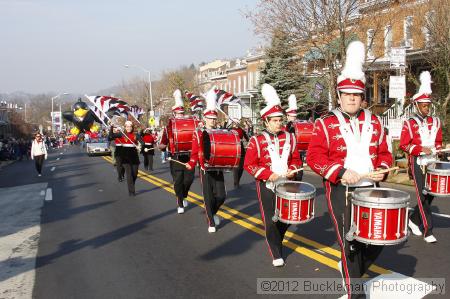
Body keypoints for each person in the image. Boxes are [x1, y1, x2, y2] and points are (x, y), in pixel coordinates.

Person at [306, 41, 393, 299]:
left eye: (356, 95)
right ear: (340, 96)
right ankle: (354, 292)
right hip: (340, 191)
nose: (352, 98)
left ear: (362, 97)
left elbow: (386, 153)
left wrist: (384, 168)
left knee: (376, 240)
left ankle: (348, 268)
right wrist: (340, 171)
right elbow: (314, 156)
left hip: (371, 190)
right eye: (347, 94)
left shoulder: (376, 121)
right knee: (351, 243)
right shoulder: (325, 123)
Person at [244, 83, 302, 267]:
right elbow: (249, 164)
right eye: (275, 120)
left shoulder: (290, 137)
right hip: (267, 185)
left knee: (287, 218)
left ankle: (277, 239)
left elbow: (296, 159)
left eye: (280, 120)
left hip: (286, 183)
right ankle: (276, 252)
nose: (279, 123)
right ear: (266, 121)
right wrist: (268, 175)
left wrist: (293, 170)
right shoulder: (257, 140)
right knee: (270, 220)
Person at [399, 71, 443, 243]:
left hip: (433, 162)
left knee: (430, 194)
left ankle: (413, 220)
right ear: (417, 106)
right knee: (422, 197)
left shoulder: (436, 121)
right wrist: (420, 149)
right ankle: (428, 230)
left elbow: (438, 141)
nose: (427, 108)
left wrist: (438, 149)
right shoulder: (409, 123)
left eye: (428, 106)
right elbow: (404, 144)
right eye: (424, 106)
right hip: (417, 162)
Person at [186, 89, 227, 233]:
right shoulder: (198, 133)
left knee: (221, 196)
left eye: (214, 118)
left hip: (218, 167)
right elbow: (195, 152)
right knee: (208, 196)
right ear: (205, 118)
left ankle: (213, 212)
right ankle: (210, 222)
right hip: (205, 167)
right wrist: (191, 163)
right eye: (210, 118)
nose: (213, 121)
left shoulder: (221, 132)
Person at [159, 89, 195, 214]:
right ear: (174, 114)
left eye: (182, 113)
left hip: (189, 155)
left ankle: (183, 195)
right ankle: (180, 202)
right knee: (178, 181)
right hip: (175, 157)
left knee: (189, 180)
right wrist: (162, 145)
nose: (180, 115)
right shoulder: (169, 126)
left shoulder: (190, 124)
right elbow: (163, 142)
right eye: (178, 113)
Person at [109, 121, 141, 196]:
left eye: (130, 126)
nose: (128, 128)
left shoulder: (136, 134)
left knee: (135, 173)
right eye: (127, 126)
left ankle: (131, 184)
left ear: (132, 127)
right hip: (125, 156)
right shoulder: (121, 134)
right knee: (129, 174)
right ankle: (131, 191)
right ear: (125, 127)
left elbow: (142, 142)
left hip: (134, 156)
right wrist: (111, 127)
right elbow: (111, 136)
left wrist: (140, 147)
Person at [283, 94, 304, 181]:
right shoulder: (284, 127)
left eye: (295, 116)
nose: (294, 118)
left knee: (299, 176)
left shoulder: (298, 126)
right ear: (287, 116)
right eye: (292, 116)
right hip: (288, 154)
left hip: (299, 153)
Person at [229, 119, 249, 188]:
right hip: (234, 147)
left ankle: (238, 180)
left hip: (241, 147)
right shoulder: (230, 130)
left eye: (236, 123)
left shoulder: (241, 129)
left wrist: (249, 142)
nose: (235, 124)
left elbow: (246, 137)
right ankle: (236, 182)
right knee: (236, 167)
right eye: (234, 123)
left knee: (241, 167)